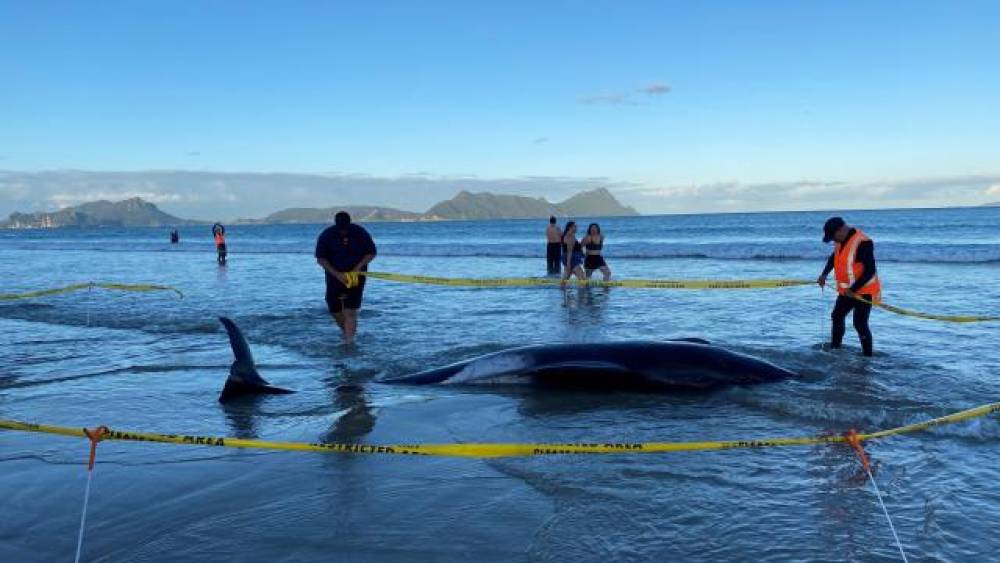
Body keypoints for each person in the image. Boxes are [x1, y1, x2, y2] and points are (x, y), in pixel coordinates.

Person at [817, 217, 881, 357]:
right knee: (837, 316)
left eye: (833, 237)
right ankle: (835, 349)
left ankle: (867, 357)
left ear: (840, 230)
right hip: (847, 291)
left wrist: (854, 289)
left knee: (859, 323)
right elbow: (833, 258)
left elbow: (870, 271)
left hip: (864, 290)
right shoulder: (840, 241)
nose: (833, 241)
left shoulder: (863, 242)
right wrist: (824, 274)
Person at [315, 211, 377, 345]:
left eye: (345, 229)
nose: (343, 232)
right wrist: (337, 274)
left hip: (356, 275)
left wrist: (357, 269)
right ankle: (346, 331)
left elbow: (371, 253)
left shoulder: (359, 232)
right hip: (334, 274)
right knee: (334, 308)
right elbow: (321, 259)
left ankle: (350, 341)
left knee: (350, 310)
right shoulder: (326, 235)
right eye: (341, 229)